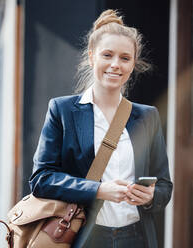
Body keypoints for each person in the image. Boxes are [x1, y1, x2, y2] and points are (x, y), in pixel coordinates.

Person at [29, 9, 172, 248]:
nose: (116, 65)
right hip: (85, 237)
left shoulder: (147, 116)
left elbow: (164, 185)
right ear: (91, 56)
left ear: (133, 64)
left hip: (136, 238)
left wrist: (150, 197)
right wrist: (98, 190)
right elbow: (41, 179)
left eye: (125, 58)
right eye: (108, 55)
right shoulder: (62, 111)